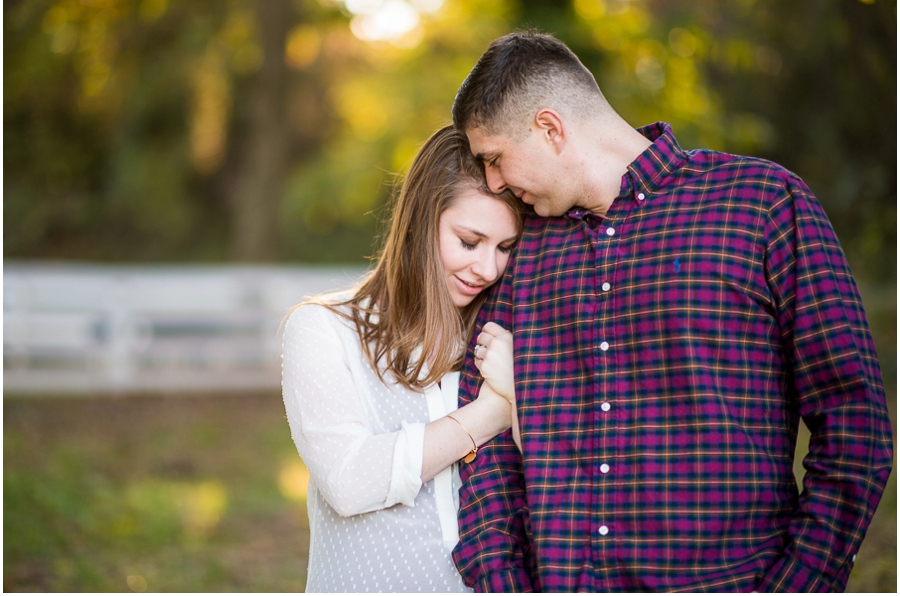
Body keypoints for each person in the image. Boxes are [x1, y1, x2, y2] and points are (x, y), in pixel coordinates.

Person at [450, 32, 893, 593]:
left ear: (549, 128)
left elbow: (854, 423)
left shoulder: (761, 205)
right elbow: (484, 444)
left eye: (494, 159)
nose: (493, 182)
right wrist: (502, 582)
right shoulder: (521, 249)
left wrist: (799, 584)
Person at [281, 125, 522, 592]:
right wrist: (493, 412)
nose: (488, 269)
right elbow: (349, 481)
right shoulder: (324, 330)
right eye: (469, 241)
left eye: (505, 248)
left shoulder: (502, 341)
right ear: (417, 221)